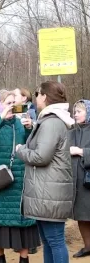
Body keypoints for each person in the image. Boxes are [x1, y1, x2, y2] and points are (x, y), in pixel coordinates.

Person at [0, 90, 40, 263]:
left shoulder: (18, 120)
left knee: (22, 223)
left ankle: (23, 259)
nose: (12, 106)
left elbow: (28, 144)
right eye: (8, 103)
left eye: (13, 102)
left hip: (17, 180)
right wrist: (0, 118)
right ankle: (0, 258)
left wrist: (28, 129)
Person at [16, 81, 74, 263]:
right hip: (46, 192)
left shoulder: (51, 123)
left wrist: (20, 150)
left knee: (55, 241)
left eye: (37, 93)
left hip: (49, 193)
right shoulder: (49, 121)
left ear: (45, 96)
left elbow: (41, 156)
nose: (36, 97)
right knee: (49, 241)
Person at [69, 100, 90, 258]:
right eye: (74, 111)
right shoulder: (73, 131)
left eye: (79, 111)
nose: (75, 114)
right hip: (78, 181)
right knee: (82, 216)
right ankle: (88, 246)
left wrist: (82, 152)